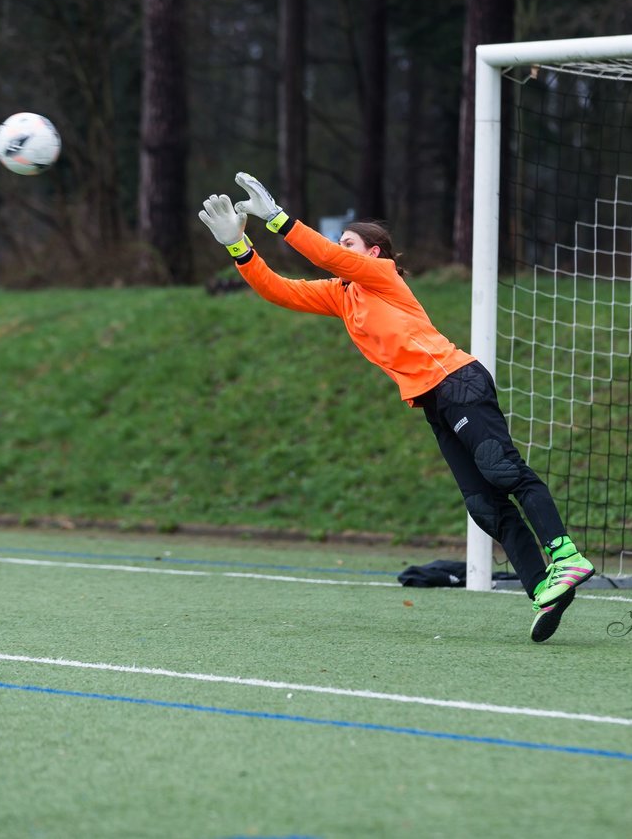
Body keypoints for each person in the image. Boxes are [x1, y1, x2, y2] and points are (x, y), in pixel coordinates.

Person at [198, 172, 595, 642]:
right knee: (484, 507)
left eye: (348, 242)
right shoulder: (342, 296)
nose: (338, 248)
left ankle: (565, 555)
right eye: (339, 241)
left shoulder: (380, 276)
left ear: (373, 254)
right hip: (433, 400)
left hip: (458, 381)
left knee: (502, 470)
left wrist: (278, 219)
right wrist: (238, 247)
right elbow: (277, 289)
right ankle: (546, 589)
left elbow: (325, 255)